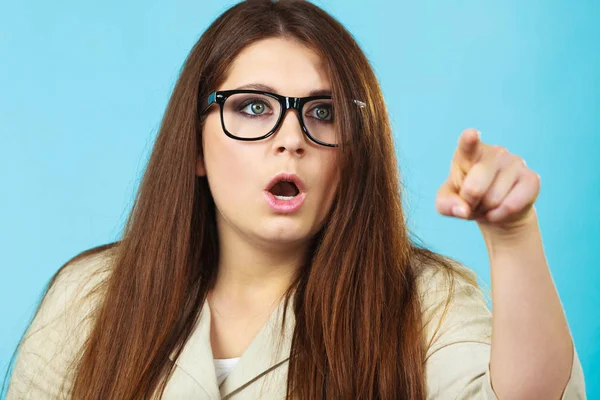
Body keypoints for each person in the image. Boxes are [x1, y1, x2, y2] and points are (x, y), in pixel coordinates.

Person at [4, 0, 587, 399]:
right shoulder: (91, 295)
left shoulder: (424, 301)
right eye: (253, 107)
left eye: (323, 113)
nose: (290, 139)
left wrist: (513, 237)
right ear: (196, 148)